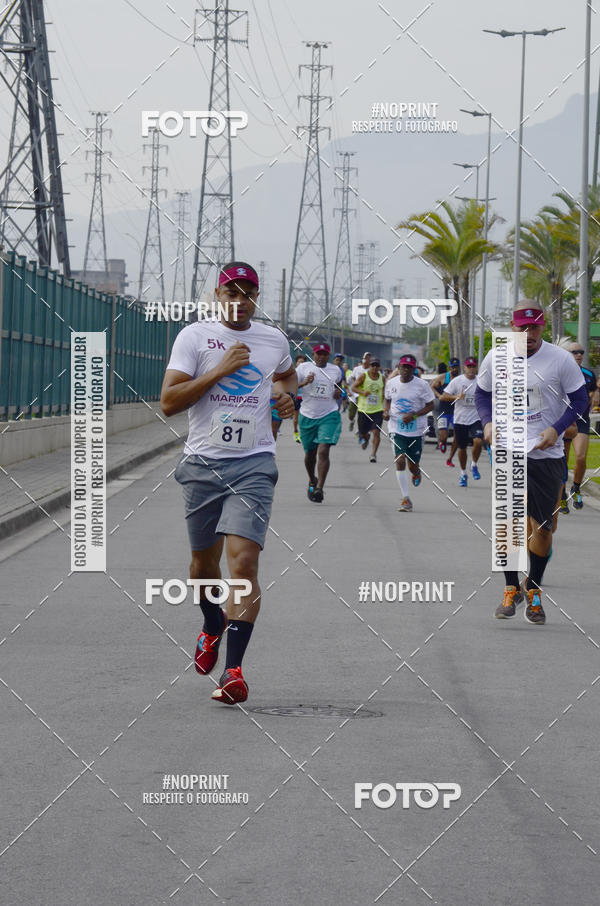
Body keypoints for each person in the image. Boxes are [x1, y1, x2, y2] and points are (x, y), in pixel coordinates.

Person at [160, 261, 297, 704]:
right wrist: (219, 370)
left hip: (254, 463)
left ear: (257, 297)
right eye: (231, 292)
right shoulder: (194, 337)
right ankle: (211, 623)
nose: (239, 300)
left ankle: (234, 671)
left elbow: (286, 374)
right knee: (203, 569)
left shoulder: (273, 339)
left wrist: (286, 394)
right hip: (202, 464)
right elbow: (168, 402)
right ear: (218, 296)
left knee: (244, 566)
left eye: (248, 292)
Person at [475, 302, 588, 625]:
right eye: (522, 328)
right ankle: (512, 587)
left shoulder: (561, 359)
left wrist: (556, 428)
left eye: (535, 327)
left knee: (543, 527)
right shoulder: (496, 357)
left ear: (543, 328)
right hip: (509, 449)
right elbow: (483, 395)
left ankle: (534, 588)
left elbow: (579, 400)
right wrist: (487, 423)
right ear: (512, 328)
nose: (529, 334)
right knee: (508, 525)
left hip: (546, 453)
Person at [383, 354, 434, 512]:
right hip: (396, 427)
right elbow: (387, 399)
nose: (406, 370)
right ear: (398, 367)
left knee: (412, 464)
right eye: (403, 366)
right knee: (400, 459)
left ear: (414, 369)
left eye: (409, 367)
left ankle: (416, 472)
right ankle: (406, 499)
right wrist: (385, 411)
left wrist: (413, 415)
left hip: (416, 429)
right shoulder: (391, 383)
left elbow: (431, 405)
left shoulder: (422, 385)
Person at [296, 342, 343, 502]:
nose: (321, 357)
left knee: (323, 450)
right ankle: (312, 479)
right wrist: (304, 383)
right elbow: (291, 385)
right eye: (318, 354)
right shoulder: (303, 368)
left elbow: (339, 388)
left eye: (325, 354)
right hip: (307, 415)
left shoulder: (335, 370)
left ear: (328, 356)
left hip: (328, 415)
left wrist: (338, 393)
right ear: (313, 354)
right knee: (310, 454)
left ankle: (319, 488)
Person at [564, 342, 597, 510]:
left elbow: (592, 395)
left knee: (581, 457)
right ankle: (561, 494)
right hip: (562, 419)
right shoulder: (559, 372)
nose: (578, 355)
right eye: (574, 352)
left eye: (581, 352)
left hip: (581, 420)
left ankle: (576, 488)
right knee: (561, 459)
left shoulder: (589, 374)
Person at [440, 357, 483, 487]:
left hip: (476, 418)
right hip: (460, 419)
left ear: (476, 368)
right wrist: (456, 397)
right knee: (462, 448)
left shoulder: (481, 381)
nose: (471, 369)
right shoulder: (457, 381)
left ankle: (474, 464)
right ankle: (463, 473)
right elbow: (443, 396)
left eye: (473, 367)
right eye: (468, 367)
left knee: (478, 441)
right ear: (464, 368)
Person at [354, 358, 385, 462]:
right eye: (373, 365)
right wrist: (362, 392)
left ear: (379, 367)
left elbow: (384, 393)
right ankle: (366, 438)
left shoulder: (382, 378)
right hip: (364, 410)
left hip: (377, 410)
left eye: (377, 366)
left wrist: (385, 408)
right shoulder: (364, 376)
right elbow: (353, 388)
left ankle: (373, 454)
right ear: (369, 366)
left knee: (376, 432)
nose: (375, 368)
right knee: (363, 433)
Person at [431, 357, 460, 464]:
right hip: (443, 410)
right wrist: (439, 396)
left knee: (458, 433)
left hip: (457, 410)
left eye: (456, 367)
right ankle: (442, 442)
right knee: (443, 435)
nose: (454, 369)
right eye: (452, 367)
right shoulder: (444, 378)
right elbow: (432, 386)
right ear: (449, 367)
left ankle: (453, 451)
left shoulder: (461, 379)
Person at [293, 354, 307, 443]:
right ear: (296, 363)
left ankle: (303, 434)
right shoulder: (293, 372)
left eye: (303, 362)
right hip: (296, 397)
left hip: (305, 398)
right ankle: (295, 431)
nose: (301, 363)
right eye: (299, 362)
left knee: (304, 417)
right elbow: (292, 386)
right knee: (296, 418)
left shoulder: (308, 372)